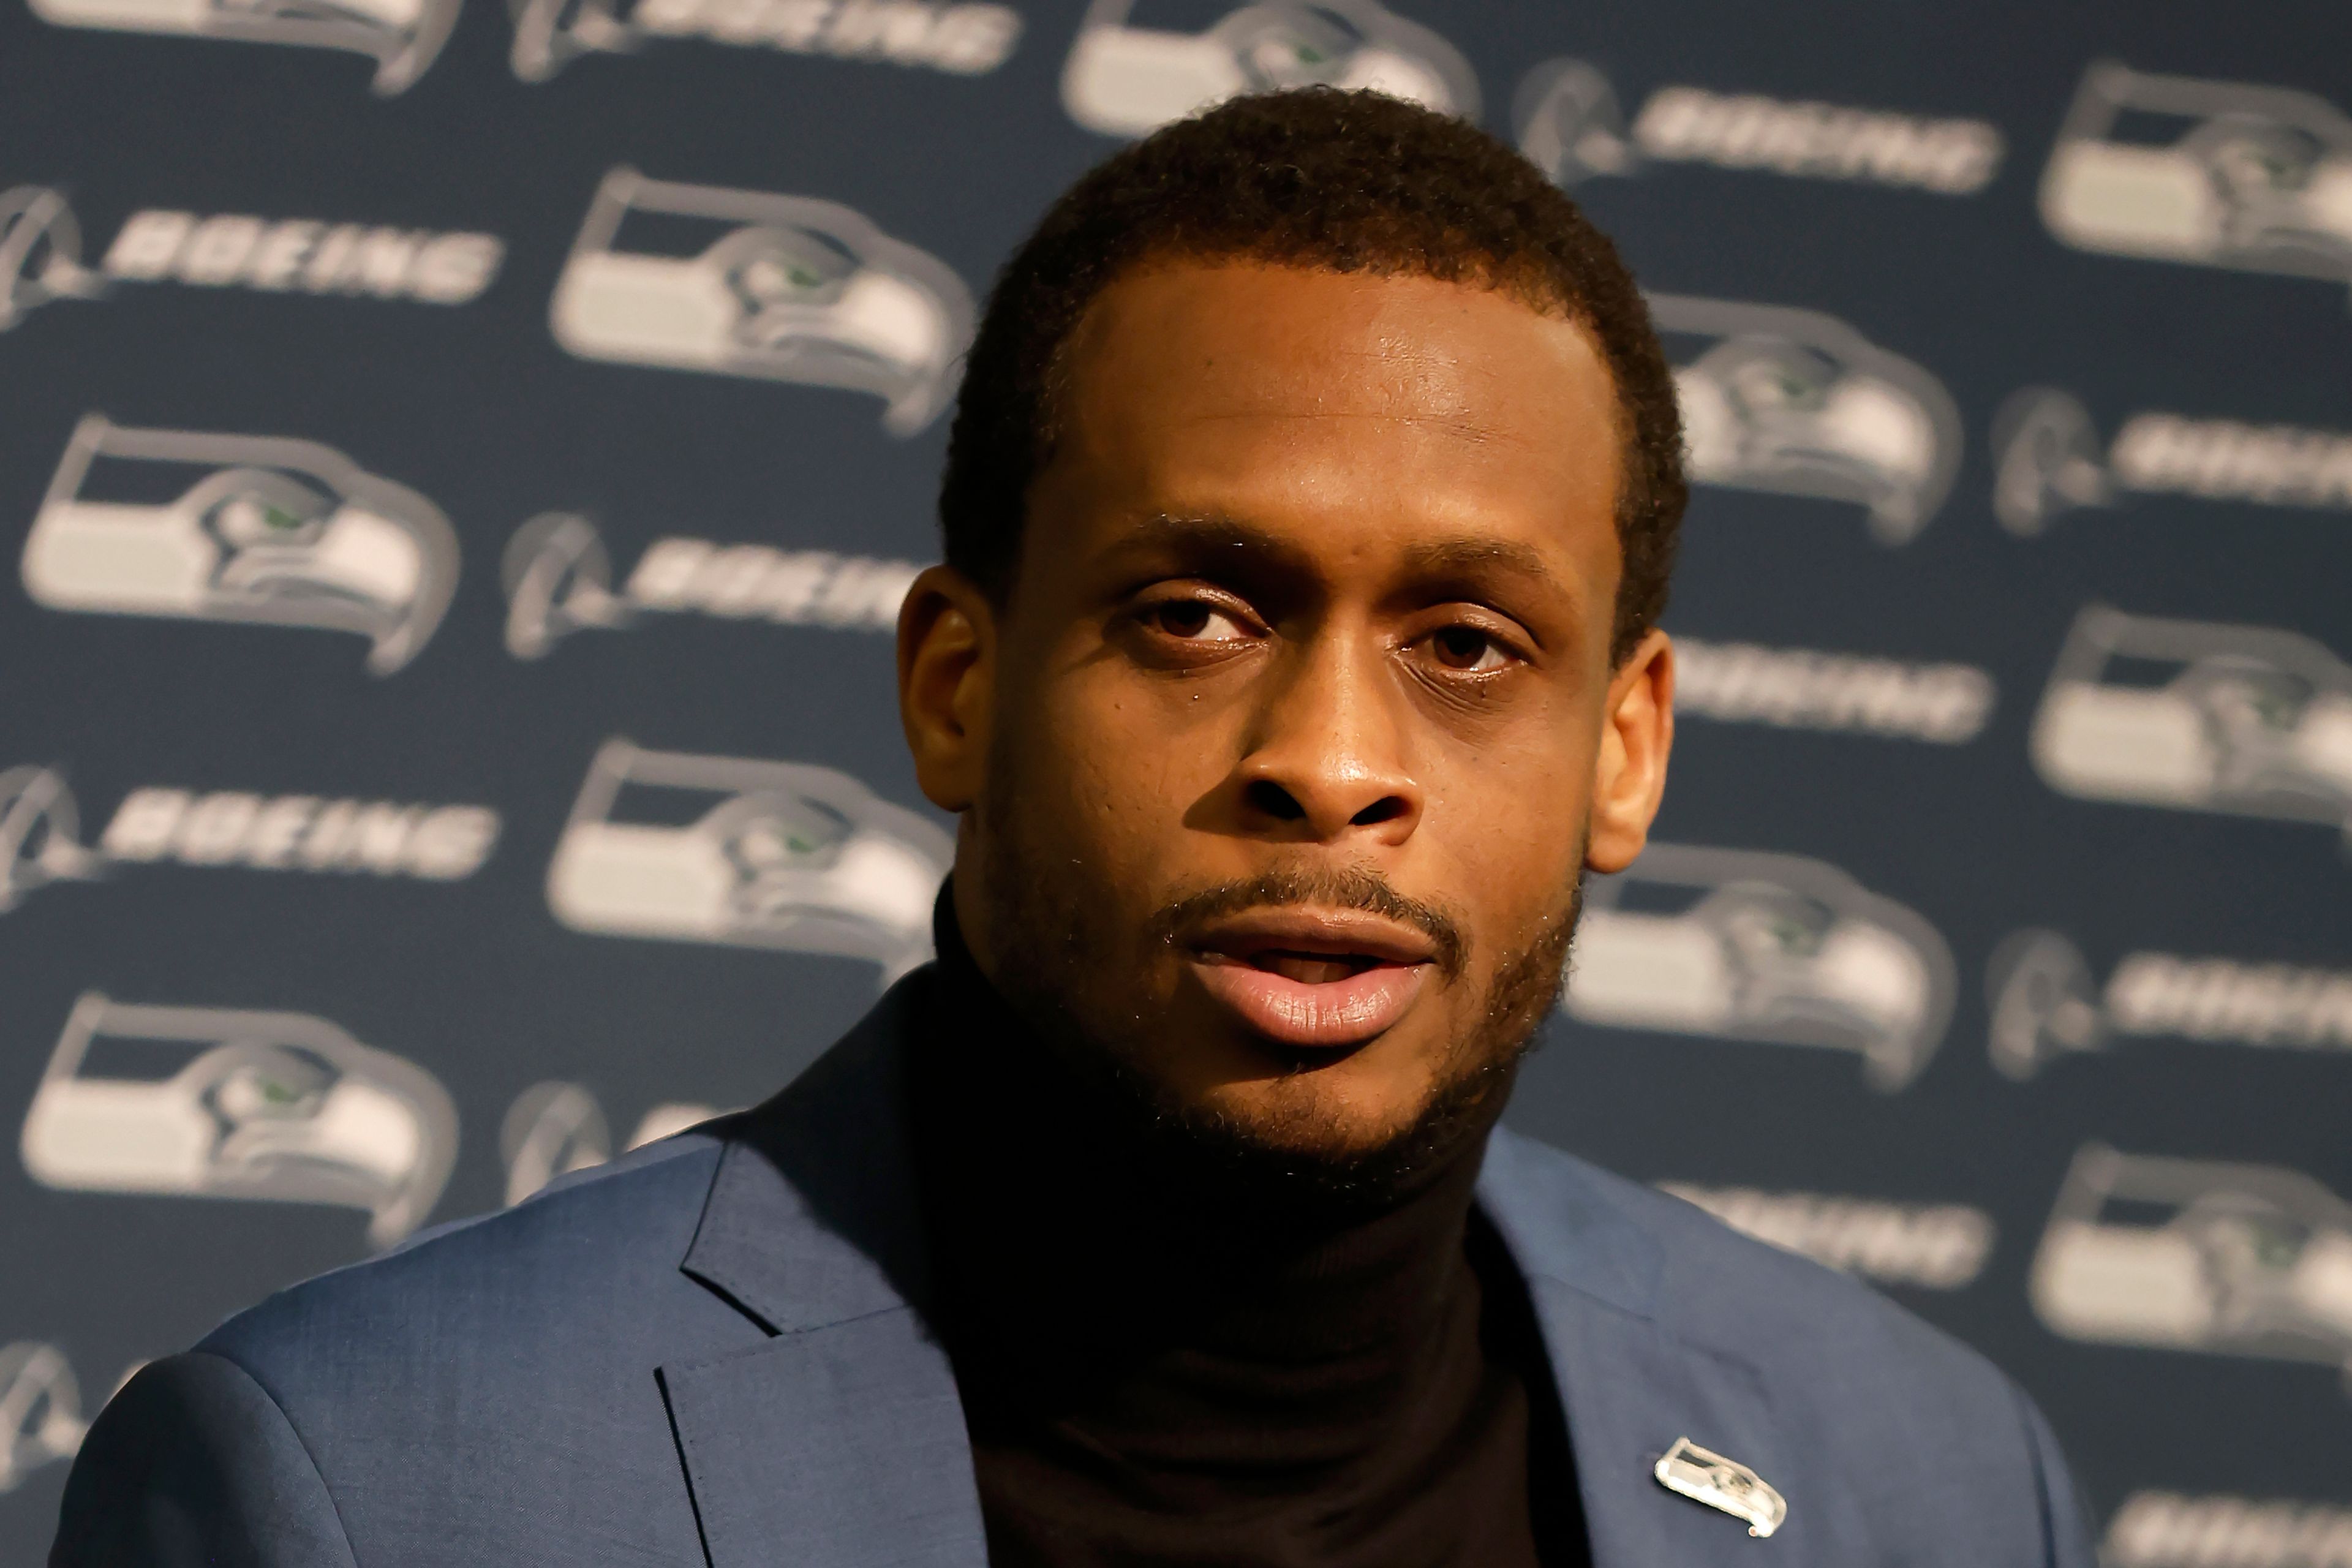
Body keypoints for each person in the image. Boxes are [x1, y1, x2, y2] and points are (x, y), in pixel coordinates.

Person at [52, 89, 2094, 1567]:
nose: (1331, 758)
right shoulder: (362, 1487)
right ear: (959, 684)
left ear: (1626, 750)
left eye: (1469, 644)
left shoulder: (1924, 1482)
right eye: (1198, 614)